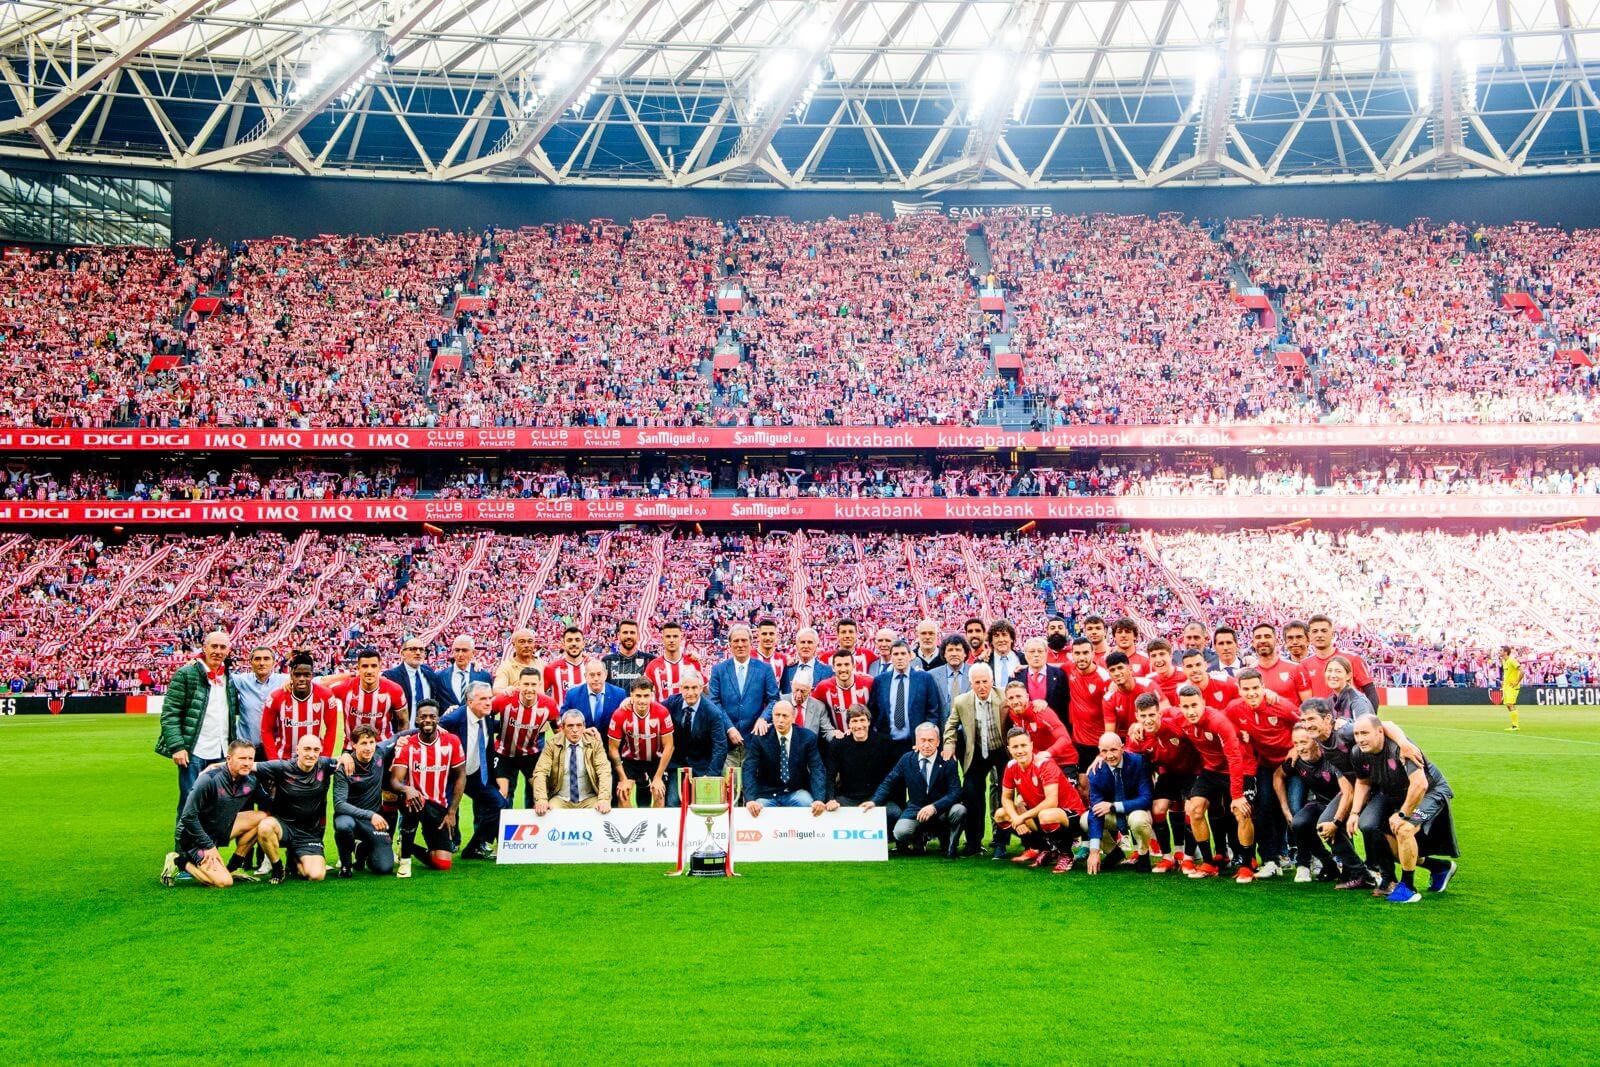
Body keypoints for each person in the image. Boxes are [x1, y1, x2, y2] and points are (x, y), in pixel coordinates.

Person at [1348, 714, 1459, 903]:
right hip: (1399, 793)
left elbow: (1420, 784)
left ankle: (1408, 888)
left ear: (1380, 731)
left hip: (1431, 790)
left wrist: (1402, 814)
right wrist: (1354, 812)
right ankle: (1439, 867)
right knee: (1381, 836)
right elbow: (1363, 781)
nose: (1360, 738)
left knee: (1404, 829)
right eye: (1357, 734)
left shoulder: (1401, 749)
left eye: (1365, 733)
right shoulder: (1358, 752)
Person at [160, 739, 282, 889]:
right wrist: (208, 846)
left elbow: (270, 805)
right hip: (194, 839)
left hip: (220, 828)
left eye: (250, 758)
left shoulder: (251, 780)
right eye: (242, 758)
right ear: (229, 759)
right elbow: (188, 817)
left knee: (262, 818)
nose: (247, 763)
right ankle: (180, 861)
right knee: (224, 882)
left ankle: (234, 866)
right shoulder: (208, 780)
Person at [1174, 683, 1254, 882]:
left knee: (1240, 810)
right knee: (1195, 809)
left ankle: (1247, 865)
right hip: (1212, 770)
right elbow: (1162, 715)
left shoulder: (1218, 722)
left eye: (1194, 705)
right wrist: (1137, 726)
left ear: (1203, 702)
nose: (1190, 711)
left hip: (1240, 768)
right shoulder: (1180, 720)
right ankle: (1209, 863)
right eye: (1185, 707)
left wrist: (1237, 795)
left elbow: (1235, 758)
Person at [157, 629, 240, 816]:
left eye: (223, 647)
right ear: (204, 647)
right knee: (190, 800)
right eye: (214, 646)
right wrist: (177, 746)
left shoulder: (229, 678)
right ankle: (185, 845)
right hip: (194, 750)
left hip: (221, 750)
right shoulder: (186, 674)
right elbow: (170, 713)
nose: (218, 651)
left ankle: (208, 845)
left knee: (216, 802)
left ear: (228, 651)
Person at [865, 723, 966, 856]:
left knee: (959, 810)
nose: (926, 744)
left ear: (938, 742)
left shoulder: (948, 761)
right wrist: (874, 801)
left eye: (931, 740)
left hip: (942, 809)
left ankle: (950, 844)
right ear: (916, 742)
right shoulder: (907, 759)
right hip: (915, 809)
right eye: (922, 740)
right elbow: (889, 782)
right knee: (900, 833)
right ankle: (920, 838)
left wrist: (934, 807)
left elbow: (956, 792)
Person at [251, 732, 339, 883]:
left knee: (316, 875)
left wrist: (346, 757)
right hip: (283, 827)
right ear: (297, 750)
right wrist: (215, 766)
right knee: (265, 827)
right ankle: (278, 868)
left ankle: (294, 856)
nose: (311, 754)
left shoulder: (324, 765)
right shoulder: (282, 767)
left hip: (309, 833)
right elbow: (247, 765)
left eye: (316, 750)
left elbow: (344, 760)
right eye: (307, 749)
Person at [942, 663, 1008, 858]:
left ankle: (1001, 842)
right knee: (971, 793)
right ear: (970, 683)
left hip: (1001, 749)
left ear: (992, 681)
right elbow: (950, 726)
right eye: (977, 682)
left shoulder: (1004, 696)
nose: (981, 686)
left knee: (1005, 794)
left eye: (985, 682)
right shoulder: (962, 701)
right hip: (977, 751)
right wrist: (949, 744)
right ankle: (974, 842)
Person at [389, 702, 465, 871]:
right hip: (414, 801)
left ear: (438, 719)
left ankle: (408, 846)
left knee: (443, 863)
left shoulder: (452, 741)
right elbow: (395, 780)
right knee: (412, 802)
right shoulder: (407, 744)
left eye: (432, 716)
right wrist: (407, 789)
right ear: (416, 720)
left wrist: (452, 812)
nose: (428, 720)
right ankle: (405, 859)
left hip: (439, 806)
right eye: (423, 717)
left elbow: (461, 775)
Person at [1126, 693, 1198, 873]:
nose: (1148, 720)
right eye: (1143, 716)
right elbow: (1133, 764)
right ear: (1136, 716)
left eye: (1151, 715)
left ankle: (1188, 857)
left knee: (1191, 811)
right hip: (1168, 773)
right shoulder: (1137, 737)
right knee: (1158, 810)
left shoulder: (1176, 719)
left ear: (1160, 713)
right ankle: (1167, 857)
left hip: (1192, 771)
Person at [995, 727, 1082, 873]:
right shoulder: (1011, 767)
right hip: (1041, 817)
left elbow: (1051, 802)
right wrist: (1016, 818)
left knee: (1046, 815)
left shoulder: (1044, 764)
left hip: (1071, 815)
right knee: (1001, 814)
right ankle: (1046, 849)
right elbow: (1006, 798)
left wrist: (1021, 817)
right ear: (1009, 749)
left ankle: (1066, 854)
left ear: (1031, 745)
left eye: (1023, 745)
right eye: (1015, 746)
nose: (1020, 750)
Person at [1276, 723, 1353, 884]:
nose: (1300, 748)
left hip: (1345, 801)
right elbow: (1278, 776)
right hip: (1319, 803)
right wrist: (1284, 809)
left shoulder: (1331, 757)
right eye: (1295, 743)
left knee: (1339, 827)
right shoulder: (1296, 759)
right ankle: (1327, 864)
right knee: (1299, 823)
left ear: (1316, 741)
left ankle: (1358, 870)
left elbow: (1348, 793)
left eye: (1304, 742)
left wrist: (1337, 821)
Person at [441, 682, 508, 860]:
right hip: (451, 777)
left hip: (474, 774)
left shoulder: (486, 716)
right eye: (483, 699)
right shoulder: (452, 720)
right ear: (470, 702)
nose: (488, 703)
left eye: (490, 698)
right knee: (445, 814)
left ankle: (474, 848)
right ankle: (444, 844)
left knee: (498, 804)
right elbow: (430, 733)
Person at [710, 624, 781, 773]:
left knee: (751, 788)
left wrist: (764, 718)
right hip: (727, 743)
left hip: (755, 740)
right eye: (736, 641)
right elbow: (714, 702)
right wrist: (729, 728)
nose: (740, 645)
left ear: (751, 642)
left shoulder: (765, 669)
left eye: (744, 640)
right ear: (729, 644)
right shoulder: (718, 670)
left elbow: (774, 699)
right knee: (729, 790)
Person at [1084, 732, 1154, 873]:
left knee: (1139, 820)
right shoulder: (1095, 772)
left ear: (1122, 748)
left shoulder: (1139, 762)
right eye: (1104, 751)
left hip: (1135, 811)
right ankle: (1114, 853)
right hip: (1113, 817)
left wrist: (1113, 806)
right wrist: (1094, 851)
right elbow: (1095, 811)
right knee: (1085, 820)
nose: (1109, 755)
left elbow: (1146, 798)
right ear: (1099, 751)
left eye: (1113, 750)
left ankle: (1143, 855)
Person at [334, 725, 397, 877]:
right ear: (353, 744)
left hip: (372, 822)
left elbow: (398, 736)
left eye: (371, 742)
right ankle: (346, 865)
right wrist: (370, 815)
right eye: (363, 743)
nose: (368, 747)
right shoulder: (345, 767)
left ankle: (362, 849)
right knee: (343, 826)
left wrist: (439, 727)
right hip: (350, 818)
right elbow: (339, 804)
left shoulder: (380, 753)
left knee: (384, 868)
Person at [742, 701, 826, 814]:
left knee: (809, 804)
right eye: (777, 715)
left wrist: (819, 799)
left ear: (793, 717)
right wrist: (750, 799)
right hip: (767, 794)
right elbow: (749, 769)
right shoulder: (760, 738)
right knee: (755, 811)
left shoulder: (807, 737)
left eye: (785, 716)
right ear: (772, 716)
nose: (780, 720)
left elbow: (817, 769)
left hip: (796, 791)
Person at [493, 668, 557, 807]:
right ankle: (499, 827)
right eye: (526, 684)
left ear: (540, 685)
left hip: (530, 754)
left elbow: (558, 731)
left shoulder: (549, 705)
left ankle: (536, 826)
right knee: (501, 795)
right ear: (519, 684)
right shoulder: (505, 699)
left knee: (541, 795)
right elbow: (484, 715)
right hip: (504, 753)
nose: (529, 689)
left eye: (533, 685)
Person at [664, 669, 730, 802]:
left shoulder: (713, 712)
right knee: (672, 802)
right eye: (686, 688)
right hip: (677, 766)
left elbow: (720, 747)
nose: (690, 693)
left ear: (701, 688)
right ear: (680, 688)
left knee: (703, 806)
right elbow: (654, 709)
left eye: (694, 687)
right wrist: (629, 702)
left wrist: (711, 775)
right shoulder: (671, 703)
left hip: (703, 767)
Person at [608, 678, 675, 808]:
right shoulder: (620, 714)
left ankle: (654, 826)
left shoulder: (662, 712)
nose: (642, 700)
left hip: (656, 759)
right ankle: (632, 826)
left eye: (646, 696)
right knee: (623, 793)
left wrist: (658, 777)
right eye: (638, 696)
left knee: (659, 793)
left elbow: (669, 745)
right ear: (631, 695)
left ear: (652, 695)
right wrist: (623, 779)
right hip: (631, 760)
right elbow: (613, 748)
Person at [260, 652, 339, 761]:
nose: (302, 679)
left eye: (306, 675)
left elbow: (331, 729)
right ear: (291, 675)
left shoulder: (326, 696)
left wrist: (324, 759)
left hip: (314, 760)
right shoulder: (276, 697)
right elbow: (266, 730)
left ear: (312, 675)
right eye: (297, 675)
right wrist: (274, 760)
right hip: (285, 761)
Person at [868, 640, 942, 754]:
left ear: (910, 656)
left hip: (915, 745)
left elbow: (933, 711)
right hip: (886, 744)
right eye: (896, 654)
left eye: (903, 654)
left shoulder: (925, 679)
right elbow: (873, 711)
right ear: (891, 657)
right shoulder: (880, 681)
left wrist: (924, 739)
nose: (899, 658)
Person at [533, 711, 613, 813]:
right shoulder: (552, 744)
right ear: (562, 727)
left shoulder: (594, 743)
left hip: (589, 798)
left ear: (584, 726)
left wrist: (604, 799)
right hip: (560, 798)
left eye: (579, 725)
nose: (575, 730)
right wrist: (541, 799)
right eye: (570, 726)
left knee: (602, 812)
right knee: (548, 813)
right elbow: (540, 771)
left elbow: (604, 771)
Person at [330, 647, 408, 746]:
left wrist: (399, 745)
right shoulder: (345, 687)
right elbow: (319, 687)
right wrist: (350, 675)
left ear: (380, 667)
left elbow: (403, 722)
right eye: (365, 666)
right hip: (352, 747)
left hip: (383, 747)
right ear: (358, 668)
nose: (369, 671)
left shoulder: (395, 690)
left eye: (374, 666)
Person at [1301, 614, 1381, 709]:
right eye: (1315, 631)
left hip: (1348, 721)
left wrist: (1369, 720)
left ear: (1333, 634)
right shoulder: (1304, 665)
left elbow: (1370, 692)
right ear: (1309, 636)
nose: (1319, 635)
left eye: (1324, 631)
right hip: (1320, 722)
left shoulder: (1352, 659)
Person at [825, 705, 894, 811]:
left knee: (894, 812)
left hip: (876, 798)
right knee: (831, 812)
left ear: (869, 722)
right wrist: (831, 799)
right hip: (848, 799)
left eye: (862, 720)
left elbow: (891, 777)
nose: (859, 725)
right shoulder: (838, 745)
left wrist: (877, 800)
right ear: (849, 724)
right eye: (854, 721)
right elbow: (830, 776)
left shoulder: (884, 742)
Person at [1003, 679, 1076, 772]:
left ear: (1027, 697)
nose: (1015, 701)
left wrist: (1048, 753)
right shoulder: (1009, 713)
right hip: (1037, 763)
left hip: (1063, 761)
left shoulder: (1041, 711)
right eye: (1011, 698)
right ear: (1007, 701)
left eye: (1018, 696)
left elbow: (1065, 739)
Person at [231, 646, 286, 759]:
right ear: (250, 662)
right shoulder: (242, 681)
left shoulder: (285, 680)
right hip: (246, 748)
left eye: (266, 659)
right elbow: (218, 676)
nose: (262, 663)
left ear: (274, 662)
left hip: (275, 748)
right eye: (257, 659)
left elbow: (314, 681)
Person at [385, 636, 448, 725]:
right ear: (402, 653)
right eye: (413, 649)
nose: (418, 653)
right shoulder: (391, 677)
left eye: (421, 650)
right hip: (402, 734)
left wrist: (471, 665)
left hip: (427, 732)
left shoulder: (429, 673)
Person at [560, 659, 626, 738]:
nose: (596, 678)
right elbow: (564, 719)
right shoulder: (573, 695)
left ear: (605, 674)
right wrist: (581, 731)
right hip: (583, 745)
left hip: (610, 746)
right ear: (585, 676)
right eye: (592, 675)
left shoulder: (619, 694)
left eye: (599, 674)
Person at [1101, 651, 1160, 738]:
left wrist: (1141, 723)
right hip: (1127, 738)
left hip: (1152, 734)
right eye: (1112, 670)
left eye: (1120, 668)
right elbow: (1110, 734)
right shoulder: (1108, 698)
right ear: (1109, 674)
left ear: (1130, 669)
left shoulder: (1148, 685)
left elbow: (1164, 712)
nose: (1117, 673)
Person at [1250, 623, 1311, 705]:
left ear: (1277, 641)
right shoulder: (1249, 673)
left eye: (1267, 636)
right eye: (1258, 637)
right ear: (1252, 643)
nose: (1263, 640)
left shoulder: (1296, 668)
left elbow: (1309, 706)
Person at [645, 621, 703, 701]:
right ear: (663, 639)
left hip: (687, 712)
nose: (671, 640)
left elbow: (706, 691)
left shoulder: (692, 662)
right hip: (663, 712)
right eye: (668, 636)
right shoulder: (653, 666)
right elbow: (643, 693)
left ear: (681, 638)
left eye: (675, 636)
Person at [436, 635, 492, 708]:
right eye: (457, 650)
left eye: (464, 650)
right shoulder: (440, 677)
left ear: (473, 652)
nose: (460, 654)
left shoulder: (483, 677)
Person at [927, 635, 972, 717]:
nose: (954, 654)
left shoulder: (975, 672)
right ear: (944, 654)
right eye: (950, 650)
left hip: (969, 728)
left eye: (958, 650)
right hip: (942, 728)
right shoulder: (932, 675)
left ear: (965, 654)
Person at [601, 619, 651, 693]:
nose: (629, 636)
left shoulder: (649, 660)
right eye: (625, 632)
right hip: (616, 704)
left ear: (638, 636)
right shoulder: (607, 661)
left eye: (632, 632)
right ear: (618, 635)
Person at [543, 627, 590, 704]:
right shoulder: (552, 669)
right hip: (561, 716)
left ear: (583, 644)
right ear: (563, 644)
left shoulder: (592, 667)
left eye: (577, 640)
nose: (574, 643)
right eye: (569, 640)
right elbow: (539, 695)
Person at [779, 626, 832, 691]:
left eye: (810, 642)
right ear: (797, 645)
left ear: (816, 645)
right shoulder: (786, 670)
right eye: (802, 642)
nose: (806, 646)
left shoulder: (828, 671)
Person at [1323, 656, 1375, 720]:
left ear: (1348, 676)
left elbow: (1364, 727)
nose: (1333, 675)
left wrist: (1344, 724)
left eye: (1338, 671)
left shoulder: (1358, 701)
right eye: (1329, 671)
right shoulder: (1330, 700)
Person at [984, 620, 1021, 686]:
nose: (1001, 640)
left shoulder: (1023, 659)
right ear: (991, 641)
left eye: (1004, 635)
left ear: (1012, 639)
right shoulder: (984, 662)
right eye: (996, 636)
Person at [1500, 645, 1522, 731]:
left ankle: (1515, 726)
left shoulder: (1512, 660)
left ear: (1505, 652)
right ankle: (1514, 724)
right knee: (1508, 705)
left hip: (1512, 686)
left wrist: (1517, 682)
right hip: (1506, 686)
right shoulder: (1504, 661)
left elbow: (1522, 671)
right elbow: (1507, 673)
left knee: (1510, 704)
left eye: (1501, 650)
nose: (1499, 652)